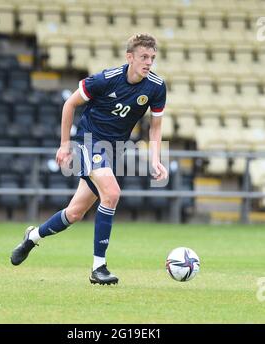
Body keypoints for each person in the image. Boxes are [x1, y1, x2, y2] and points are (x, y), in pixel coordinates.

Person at [11, 33, 168, 285]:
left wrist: (155, 158)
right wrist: (64, 145)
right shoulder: (105, 80)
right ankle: (99, 267)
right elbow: (69, 105)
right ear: (130, 57)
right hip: (90, 140)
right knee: (112, 193)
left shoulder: (156, 87)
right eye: (143, 57)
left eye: (152, 58)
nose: (148, 63)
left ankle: (32, 238)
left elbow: (156, 127)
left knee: (74, 213)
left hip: (115, 149)